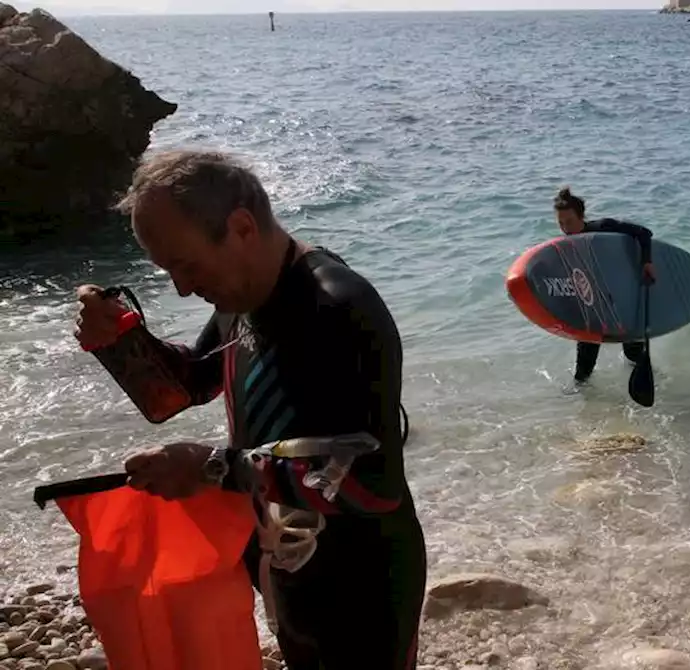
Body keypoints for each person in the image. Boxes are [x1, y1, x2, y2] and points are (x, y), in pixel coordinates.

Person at [72, 150, 427, 670]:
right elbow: (181, 389)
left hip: (363, 582)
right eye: (168, 270)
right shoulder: (242, 297)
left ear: (241, 228)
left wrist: (211, 468)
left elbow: (371, 485)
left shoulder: (337, 309)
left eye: (187, 265)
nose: (182, 288)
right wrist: (120, 341)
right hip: (284, 561)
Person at [552, 186, 657, 389]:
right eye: (561, 223)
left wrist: (647, 262)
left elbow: (644, 233)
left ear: (581, 216)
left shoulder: (602, 228)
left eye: (570, 222)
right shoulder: (562, 247)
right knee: (583, 372)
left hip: (622, 303)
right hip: (592, 308)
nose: (565, 228)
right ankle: (583, 411)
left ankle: (652, 392)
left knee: (634, 355)